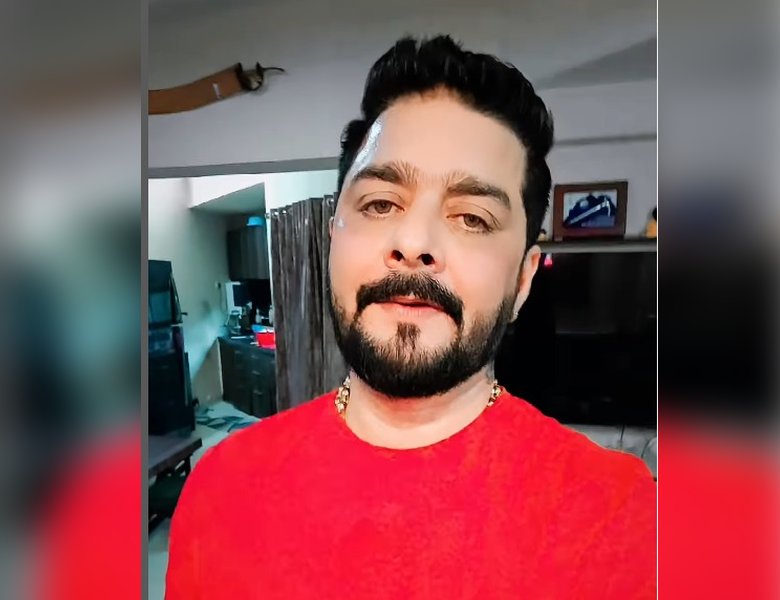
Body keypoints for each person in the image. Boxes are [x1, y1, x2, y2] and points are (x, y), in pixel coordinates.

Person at [165, 35, 656, 599]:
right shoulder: (222, 486)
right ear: (333, 241)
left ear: (522, 282)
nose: (415, 242)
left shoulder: (623, 519)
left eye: (472, 218)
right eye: (380, 204)